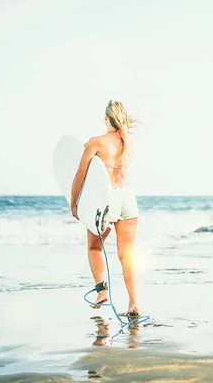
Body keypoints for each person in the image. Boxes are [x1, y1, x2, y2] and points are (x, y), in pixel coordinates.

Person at [70, 100, 140, 317]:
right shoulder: (130, 143)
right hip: (127, 197)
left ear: (105, 118)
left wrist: (74, 204)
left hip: (106, 197)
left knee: (94, 248)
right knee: (127, 255)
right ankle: (133, 303)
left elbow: (80, 175)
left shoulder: (96, 142)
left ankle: (102, 292)